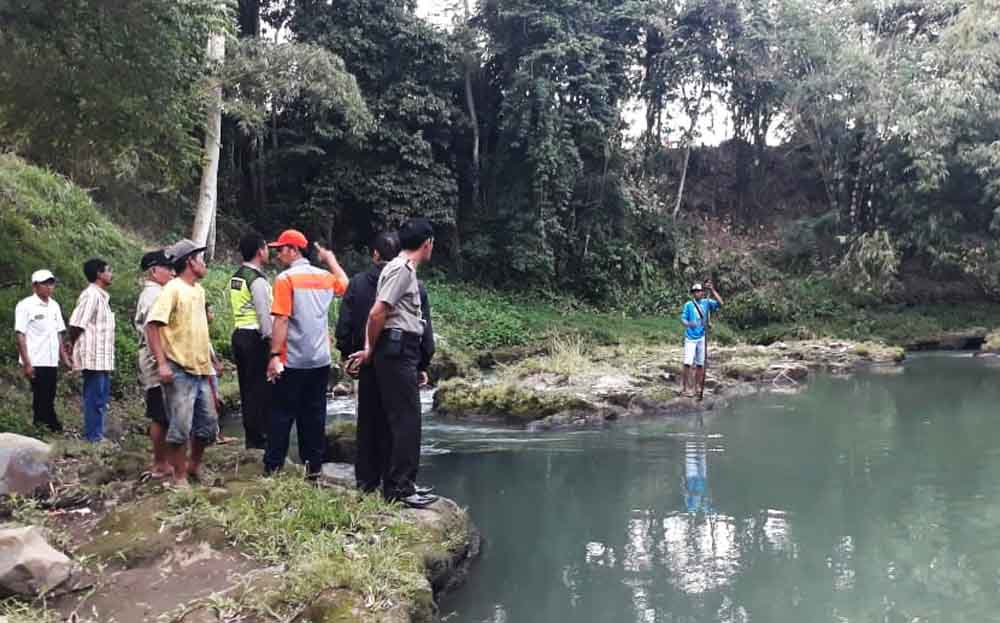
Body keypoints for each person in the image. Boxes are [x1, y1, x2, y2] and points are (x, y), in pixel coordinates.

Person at [336, 232, 436, 495]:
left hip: (367, 360)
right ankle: (396, 484)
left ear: (375, 254)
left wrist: (350, 353)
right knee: (401, 420)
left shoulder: (357, 283)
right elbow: (423, 329)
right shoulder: (411, 279)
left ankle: (367, 482)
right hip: (395, 355)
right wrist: (422, 363)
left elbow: (344, 326)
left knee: (369, 421)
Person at [264, 229, 349, 478]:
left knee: (281, 413)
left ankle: (273, 468)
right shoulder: (324, 276)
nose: (278, 255)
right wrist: (331, 259)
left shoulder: (285, 279)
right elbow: (345, 284)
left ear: (293, 250)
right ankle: (314, 468)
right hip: (320, 359)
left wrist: (274, 355)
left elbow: (281, 320)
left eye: (280, 249)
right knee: (314, 415)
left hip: (292, 360)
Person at [146, 240, 218, 487]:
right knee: (180, 426)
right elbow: (153, 325)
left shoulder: (198, 291)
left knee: (207, 426)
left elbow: (199, 329)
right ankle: (179, 478)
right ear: (190, 261)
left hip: (201, 369)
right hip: (179, 369)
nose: (204, 264)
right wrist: (162, 364)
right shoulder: (172, 289)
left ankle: (194, 466)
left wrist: (211, 359)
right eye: (201, 258)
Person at [229, 233, 273, 449]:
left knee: (246, 389)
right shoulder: (256, 280)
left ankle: (251, 438)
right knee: (260, 390)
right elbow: (265, 315)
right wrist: (272, 342)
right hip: (255, 337)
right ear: (259, 251)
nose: (268, 251)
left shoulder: (237, 276)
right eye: (266, 247)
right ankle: (260, 440)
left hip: (239, 334)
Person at [14, 269, 72, 432]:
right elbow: (20, 335)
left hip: (51, 359)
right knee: (41, 395)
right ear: (35, 286)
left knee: (49, 393)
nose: (49, 287)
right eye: (45, 283)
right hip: (35, 358)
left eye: (51, 283)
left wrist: (64, 358)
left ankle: (44, 426)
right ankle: (47, 426)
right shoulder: (25, 306)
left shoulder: (54, 306)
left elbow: (58, 334)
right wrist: (27, 363)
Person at [134, 250, 174, 478]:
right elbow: (153, 331)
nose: (170, 272)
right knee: (159, 412)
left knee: (165, 410)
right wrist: (161, 362)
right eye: (166, 268)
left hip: (159, 358)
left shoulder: (160, 292)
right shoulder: (152, 296)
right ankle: (160, 463)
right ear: (153, 270)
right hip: (155, 360)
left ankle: (166, 460)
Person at [67, 258, 116, 442]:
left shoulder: (102, 297)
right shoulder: (91, 295)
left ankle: (97, 434)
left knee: (101, 397)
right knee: (94, 397)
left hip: (102, 357)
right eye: (108, 270)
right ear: (98, 274)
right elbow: (77, 323)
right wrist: (72, 344)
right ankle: (92, 436)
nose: (111, 274)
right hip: (93, 355)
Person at [680, 281, 723, 399]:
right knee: (688, 363)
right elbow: (683, 319)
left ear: (702, 292)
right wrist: (689, 324)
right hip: (690, 337)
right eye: (695, 292)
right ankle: (685, 388)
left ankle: (697, 387)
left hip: (702, 337)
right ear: (693, 293)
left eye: (699, 291)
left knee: (700, 364)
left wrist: (713, 290)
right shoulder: (688, 305)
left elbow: (721, 303)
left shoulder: (706, 302)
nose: (698, 293)